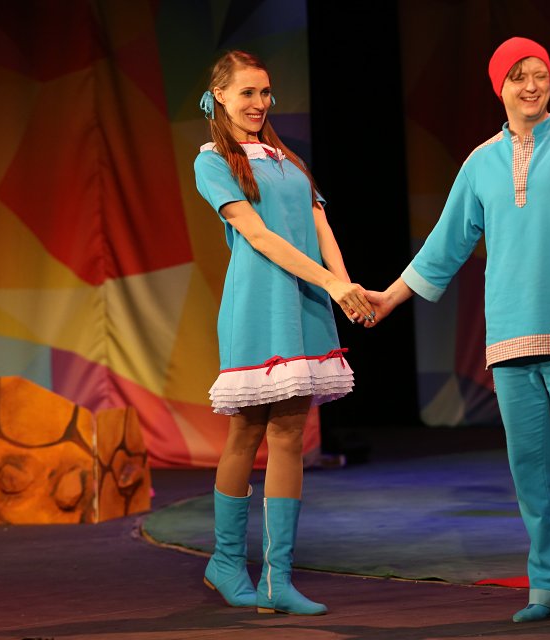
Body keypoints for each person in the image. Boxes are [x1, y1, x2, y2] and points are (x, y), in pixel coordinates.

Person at [365, 37, 550, 628]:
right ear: (500, 87)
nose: (531, 86)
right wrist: (389, 297)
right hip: (510, 342)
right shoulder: (480, 162)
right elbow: (444, 246)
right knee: (531, 474)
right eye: (518, 77)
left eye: (539, 74)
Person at [193, 49, 375, 615]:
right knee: (246, 432)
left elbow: (321, 224)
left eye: (265, 92)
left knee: (290, 434)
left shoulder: (287, 160)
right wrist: (331, 283)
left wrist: (346, 287)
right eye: (247, 92)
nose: (259, 102)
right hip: (259, 303)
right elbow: (259, 237)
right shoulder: (213, 161)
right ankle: (226, 562)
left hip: (306, 301)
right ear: (221, 95)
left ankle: (278, 578)